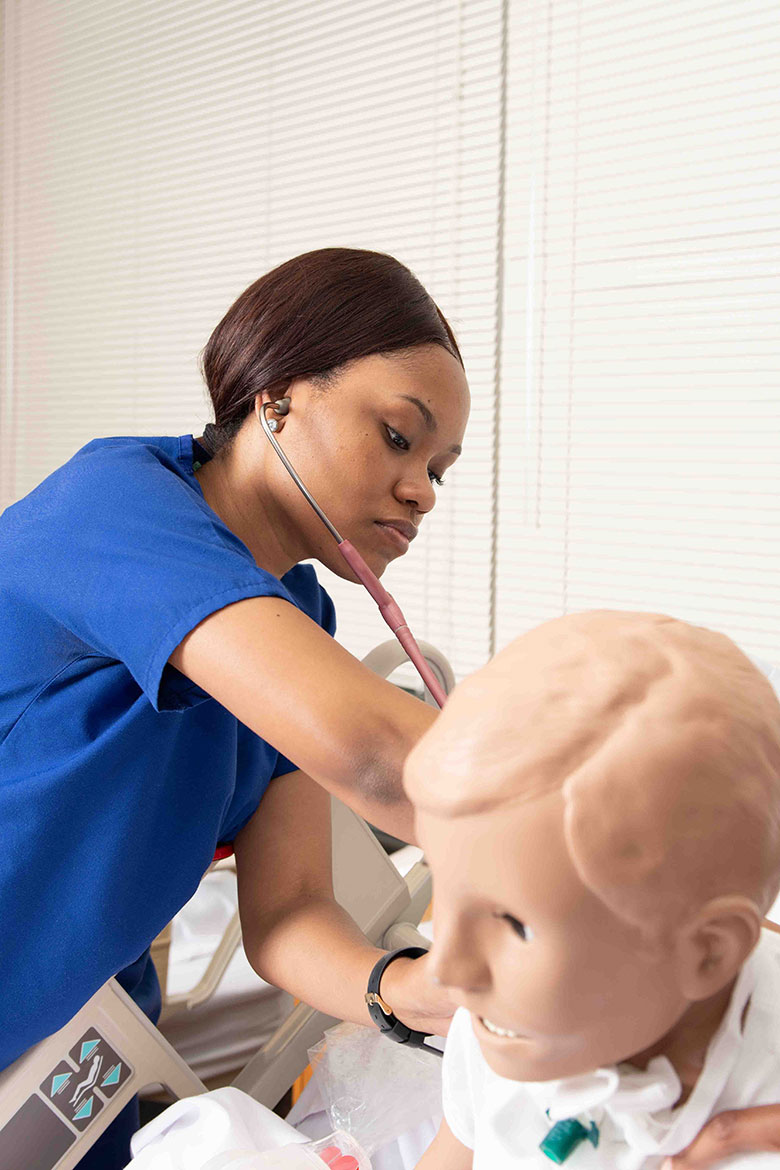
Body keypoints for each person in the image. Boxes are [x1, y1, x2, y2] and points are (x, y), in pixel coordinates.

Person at [0, 248, 469, 1167]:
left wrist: (403, 989)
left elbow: (290, 910)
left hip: (85, 1049)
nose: (420, 489)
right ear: (278, 392)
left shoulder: (304, 614)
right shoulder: (113, 509)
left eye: (441, 470)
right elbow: (374, 751)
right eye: (399, 437)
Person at [406, 611, 780, 1169]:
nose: (446, 969)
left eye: (514, 924)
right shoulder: (502, 1024)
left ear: (708, 950)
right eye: (445, 887)